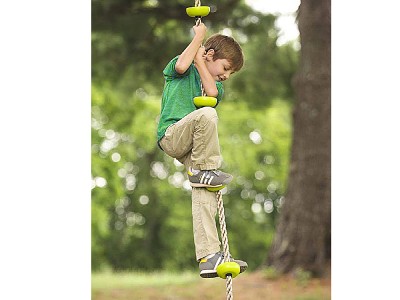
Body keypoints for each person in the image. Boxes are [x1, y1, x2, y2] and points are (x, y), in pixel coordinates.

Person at [157, 22, 247, 278]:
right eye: (226, 68)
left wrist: (202, 63)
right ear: (210, 55)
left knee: (204, 190)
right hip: (172, 135)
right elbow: (182, 65)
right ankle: (205, 170)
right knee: (207, 114)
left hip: (191, 146)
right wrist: (198, 42)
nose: (226, 76)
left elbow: (210, 91)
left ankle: (209, 256)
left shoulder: (215, 86)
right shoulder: (181, 68)